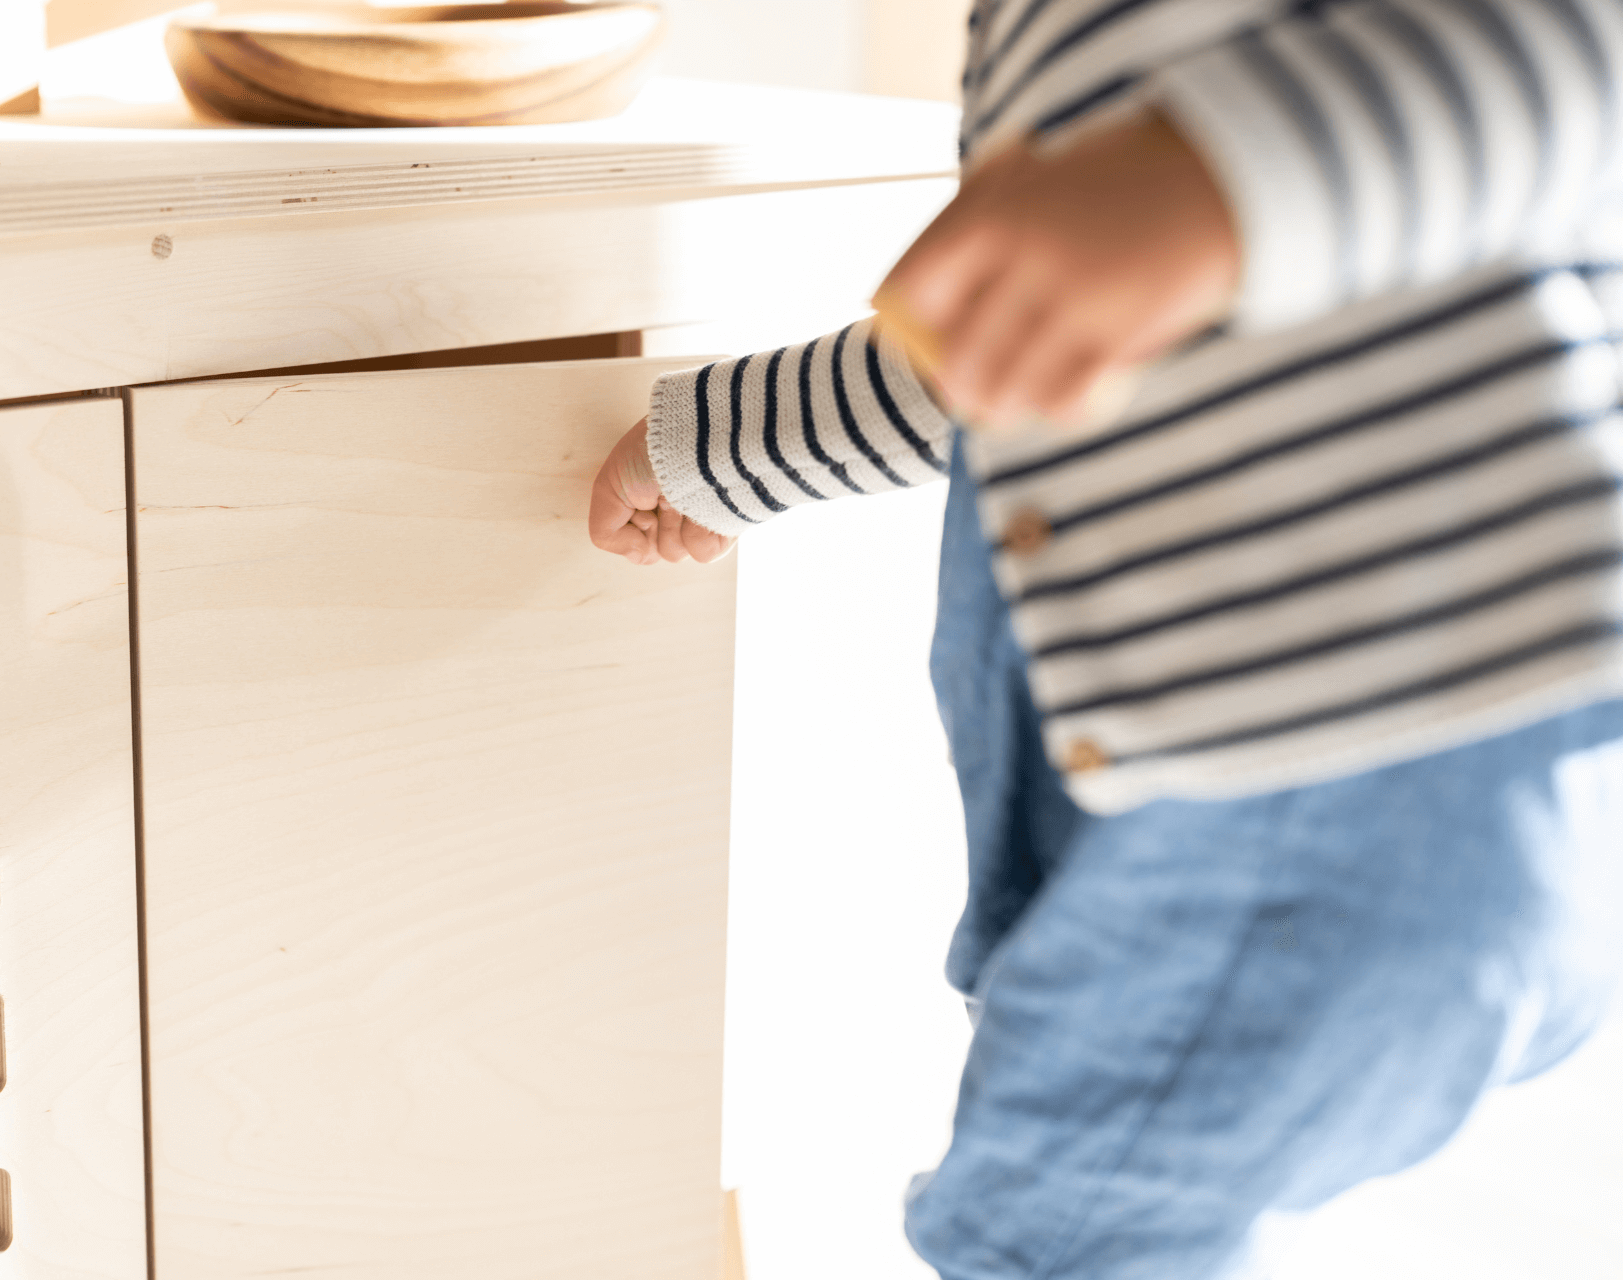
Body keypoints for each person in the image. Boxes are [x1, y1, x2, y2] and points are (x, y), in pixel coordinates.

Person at [588, 1, 1623, 1276]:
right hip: (1159, 782)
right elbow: (1011, 349)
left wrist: (1206, 181)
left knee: (1054, 1236)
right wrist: (730, 446)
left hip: (1343, 738)